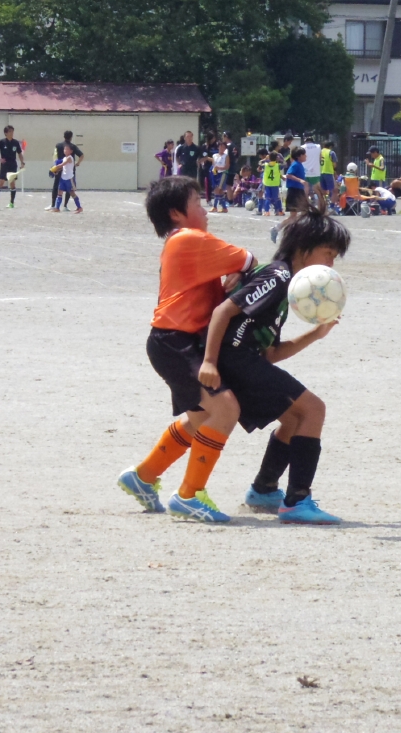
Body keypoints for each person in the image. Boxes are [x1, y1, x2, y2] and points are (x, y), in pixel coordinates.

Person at [117, 175, 255, 523]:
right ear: (176, 213)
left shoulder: (181, 241)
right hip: (174, 341)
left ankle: (144, 476)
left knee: (201, 418)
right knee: (225, 409)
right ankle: (189, 495)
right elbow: (249, 260)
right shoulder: (191, 238)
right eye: (197, 203)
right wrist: (239, 274)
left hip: (173, 341)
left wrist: (234, 278)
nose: (205, 210)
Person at [199, 206, 350, 524]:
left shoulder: (287, 287)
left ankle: (264, 489)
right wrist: (210, 362)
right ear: (304, 249)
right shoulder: (277, 276)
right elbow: (222, 312)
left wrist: (316, 334)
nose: (331, 264)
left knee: (295, 418)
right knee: (313, 410)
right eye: (328, 254)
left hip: (246, 361)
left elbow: (270, 355)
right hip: (234, 360)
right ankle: (297, 501)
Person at [49, 130, 84, 212]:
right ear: (71, 137)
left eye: (66, 149)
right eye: (64, 149)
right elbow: (81, 155)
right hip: (63, 176)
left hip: (69, 177)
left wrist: (54, 168)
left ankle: (79, 207)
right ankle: (58, 207)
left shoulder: (68, 157)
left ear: (71, 151)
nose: (64, 150)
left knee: (71, 192)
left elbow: (60, 162)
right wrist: (78, 163)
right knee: (60, 191)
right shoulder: (68, 153)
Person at [0, 125, 24, 208]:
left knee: (12, 184)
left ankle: (11, 203)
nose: (11, 133)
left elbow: (19, 153)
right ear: (5, 133)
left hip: (13, 165)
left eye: (12, 131)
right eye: (10, 131)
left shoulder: (15, 142)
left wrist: (22, 162)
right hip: (4, 164)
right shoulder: (2, 142)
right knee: (1, 182)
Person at [209, 140, 231, 213]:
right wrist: (214, 170)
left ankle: (215, 206)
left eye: (223, 147)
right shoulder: (214, 156)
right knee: (218, 191)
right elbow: (213, 165)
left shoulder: (226, 156)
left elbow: (227, 166)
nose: (221, 148)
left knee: (219, 189)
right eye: (220, 146)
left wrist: (220, 168)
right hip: (215, 174)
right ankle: (224, 207)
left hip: (222, 174)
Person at [319, 142, 337, 210]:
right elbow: (334, 165)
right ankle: (331, 206)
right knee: (334, 190)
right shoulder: (331, 152)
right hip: (328, 172)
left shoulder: (320, 152)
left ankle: (323, 206)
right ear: (330, 146)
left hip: (320, 173)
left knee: (323, 191)